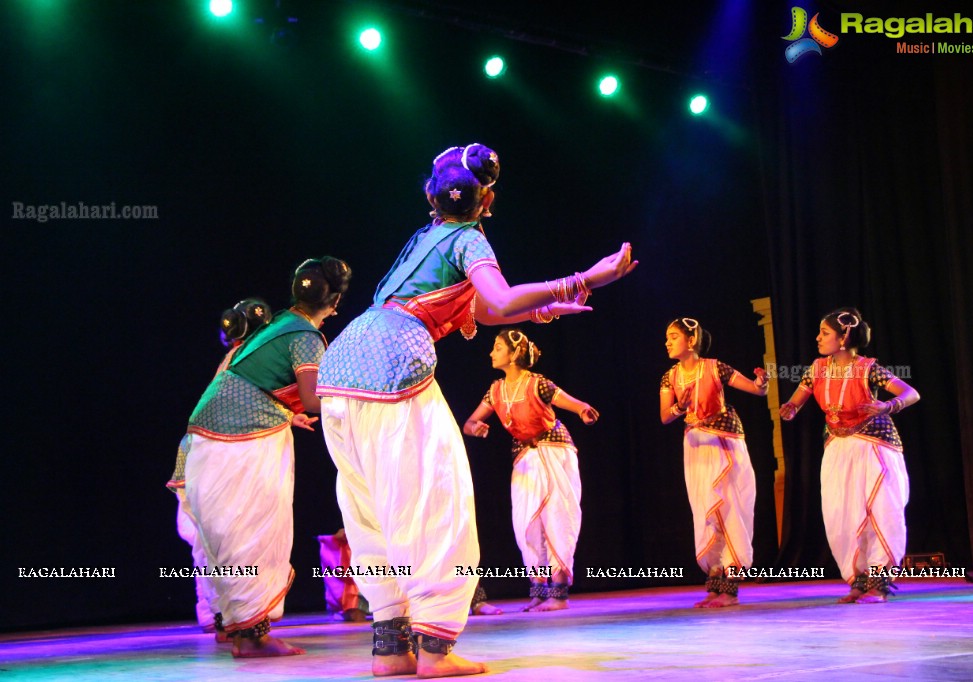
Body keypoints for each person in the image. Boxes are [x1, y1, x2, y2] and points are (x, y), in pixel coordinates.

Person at [317, 143, 636, 678]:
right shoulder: (467, 239)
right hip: (396, 361)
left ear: (430, 195)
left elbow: (485, 307)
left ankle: (391, 648)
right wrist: (587, 277)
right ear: (487, 197)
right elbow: (502, 298)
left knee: (370, 504)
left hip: (344, 362)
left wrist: (543, 309)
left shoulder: (425, 235)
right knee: (437, 496)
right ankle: (436, 651)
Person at [184, 256, 351, 657]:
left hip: (209, 433)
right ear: (335, 303)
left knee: (231, 534)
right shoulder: (305, 335)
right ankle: (253, 636)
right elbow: (314, 397)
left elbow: (257, 382)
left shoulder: (277, 323)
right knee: (255, 530)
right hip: (243, 437)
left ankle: (244, 630)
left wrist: (288, 414)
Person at [779, 307, 920, 603]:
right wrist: (790, 409)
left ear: (843, 337)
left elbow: (910, 393)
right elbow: (797, 400)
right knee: (841, 514)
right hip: (838, 447)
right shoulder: (816, 369)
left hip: (873, 445)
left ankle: (879, 583)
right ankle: (858, 580)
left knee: (879, 512)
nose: (818, 338)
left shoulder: (868, 368)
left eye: (825, 333)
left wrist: (887, 406)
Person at [463, 329, 597, 612]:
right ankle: (539, 591)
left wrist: (584, 410)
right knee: (526, 522)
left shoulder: (538, 384)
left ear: (514, 355)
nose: (491, 353)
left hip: (554, 451)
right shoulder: (495, 390)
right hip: (524, 457)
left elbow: (573, 403)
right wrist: (477, 427)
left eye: (497, 348)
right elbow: (470, 423)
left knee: (557, 517)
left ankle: (559, 594)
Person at [167, 298, 272, 641]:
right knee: (217, 539)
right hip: (208, 453)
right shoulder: (241, 362)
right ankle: (226, 616)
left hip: (200, 452)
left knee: (209, 542)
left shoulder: (235, 361)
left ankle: (222, 616)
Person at [660, 317, 768, 607]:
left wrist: (762, 382)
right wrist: (680, 406)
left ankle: (730, 587)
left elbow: (757, 391)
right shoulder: (669, 376)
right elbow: (665, 416)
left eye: (673, 336)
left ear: (691, 340)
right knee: (706, 511)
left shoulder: (715, 367)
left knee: (729, 506)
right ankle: (716, 580)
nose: (667, 342)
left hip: (725, 443)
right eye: (667, 337)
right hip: (696, 446)